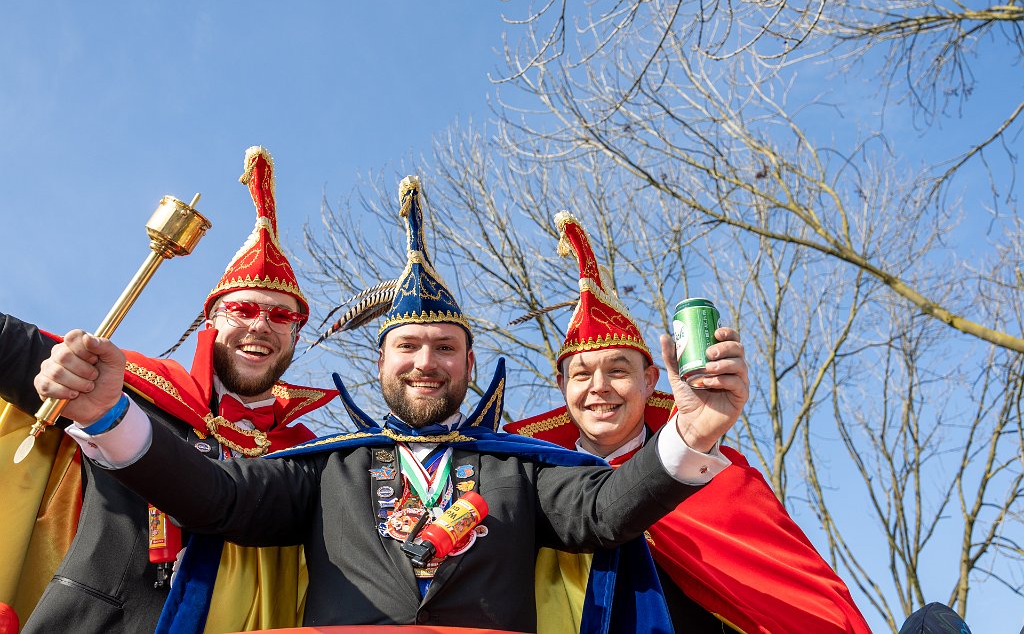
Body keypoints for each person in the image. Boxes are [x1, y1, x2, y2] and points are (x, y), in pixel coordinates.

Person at [33, 177, 750, 633]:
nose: (426, 362)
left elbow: (606, 511)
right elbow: (218, 497)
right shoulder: (325, 469)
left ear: (470, 365)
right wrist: (108, 415)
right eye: (407, 346)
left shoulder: (526, 472)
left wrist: (691, 432)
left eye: (445, 348)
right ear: (380, 364)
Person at [0, 146, 337, 633]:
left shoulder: (310, 459)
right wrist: (65, 375)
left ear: (296, 336)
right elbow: (15, 348)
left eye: (281, 316)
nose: (261, 325)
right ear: (210, 321)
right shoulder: (130, 388)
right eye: (243, 310)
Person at [506, 211, 872, 634]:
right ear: (562, 386)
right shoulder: (529, 481)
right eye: (582, 374)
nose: (599, 387)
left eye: (618, 371)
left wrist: (696, 433)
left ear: (649, 380)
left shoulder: (720, 478)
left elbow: (802, 605)